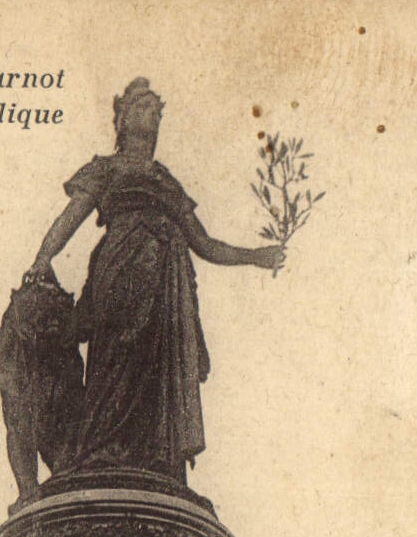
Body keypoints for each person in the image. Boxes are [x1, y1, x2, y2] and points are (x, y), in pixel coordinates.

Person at [24, 79, 284, 482]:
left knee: (154, 371)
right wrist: (43, 258)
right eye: (144, 107)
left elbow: (204, 243)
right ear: (123, 117)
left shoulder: (166, 182)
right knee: (115, 358)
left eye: (157, 111)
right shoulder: (107, 168)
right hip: (121, 273)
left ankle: (153, 461)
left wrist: (256, 257)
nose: (154, 115)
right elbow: (70, 217)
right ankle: (100, 451)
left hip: (165, 287)